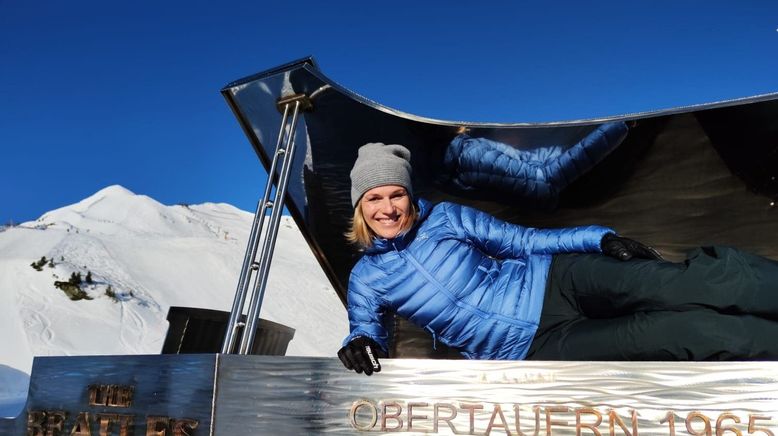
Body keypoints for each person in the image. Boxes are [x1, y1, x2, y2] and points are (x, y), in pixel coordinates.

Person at [337, 142, 778, 376]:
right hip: (530, 349)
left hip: (557, 280)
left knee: (687, 283)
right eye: (375, 198)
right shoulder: (367, 277)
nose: (388, 208)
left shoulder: (447, 219)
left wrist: (600, 239)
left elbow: (523, 240)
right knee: (680, 333)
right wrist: (359, 346)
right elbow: (366, 330)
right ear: (361, 207)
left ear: (410, 196)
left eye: (397, 194)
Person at [442, 121, 629, 209]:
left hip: (569, 166)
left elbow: (525, 160)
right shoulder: (468, 156)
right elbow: (545, 183)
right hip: (577, 186)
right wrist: (616, 126)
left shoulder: (465, 145)